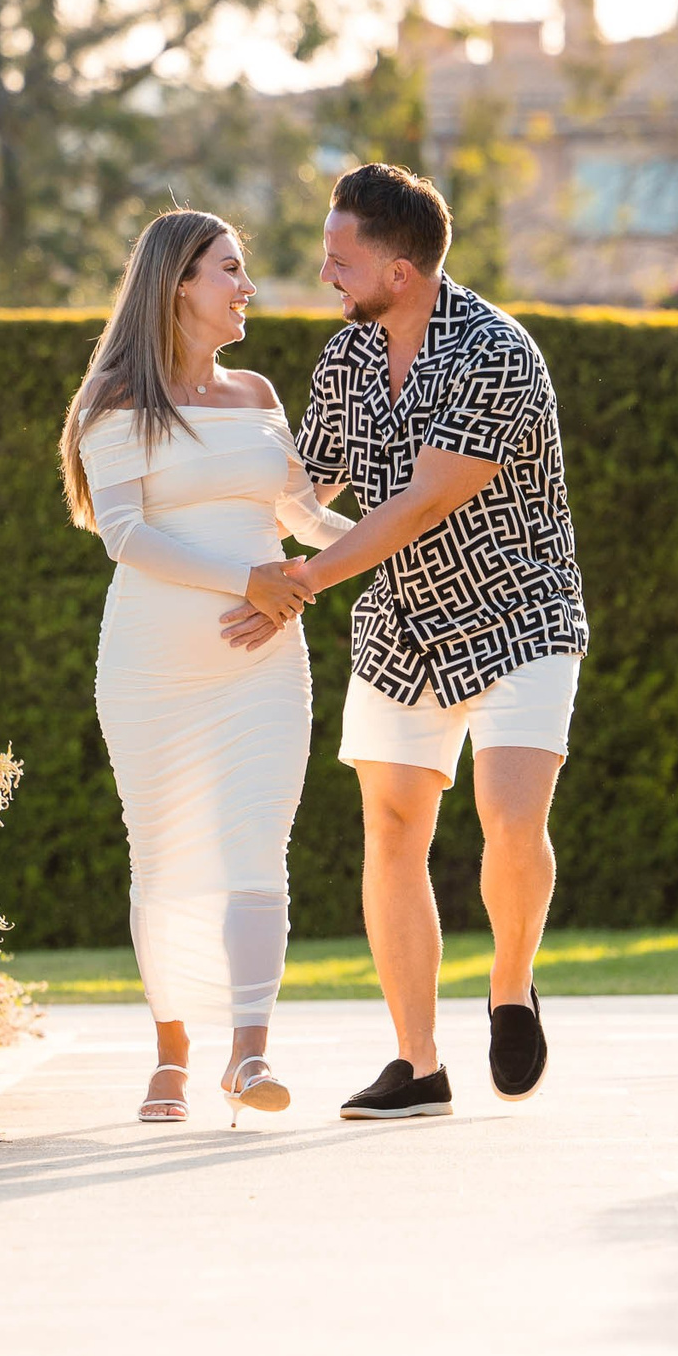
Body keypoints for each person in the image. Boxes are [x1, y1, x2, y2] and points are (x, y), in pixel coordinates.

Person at [223, 164, 585, 1121]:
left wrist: (300, 584)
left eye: (343, 260)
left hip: (521, 611)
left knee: (510, 820)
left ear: (402, 267)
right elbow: (310, 488)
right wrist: (216, 498)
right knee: (391, 829)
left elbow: (424, 501)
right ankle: (418, 1065)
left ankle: (512, 984)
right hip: (402, 626)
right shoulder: (346, 360)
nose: (327, 274)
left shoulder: (495, 351)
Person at [58, 209, 352, 1125]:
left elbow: (304, 516)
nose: (247, 286)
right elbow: (126, 535)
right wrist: (249, 579)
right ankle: (172, 1053)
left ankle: (250, 1052)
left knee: (259, 851)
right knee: (165, 860)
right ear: (181, 282)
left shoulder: (260, 392)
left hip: (266, 669)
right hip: (153, 673)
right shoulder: (113, 401)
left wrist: (405, 542)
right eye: (231, 269)